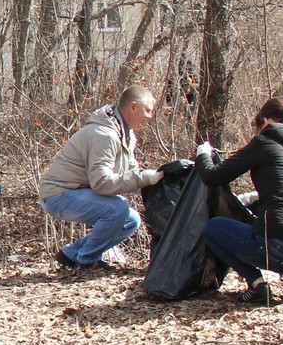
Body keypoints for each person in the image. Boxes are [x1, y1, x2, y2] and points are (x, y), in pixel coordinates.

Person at [192, 98, 283, 305]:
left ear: (266, 121)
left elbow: (213, 177)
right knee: (281, 232)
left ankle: (256, 284)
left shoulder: (266, 142)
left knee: (213, 229)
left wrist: (203, 155)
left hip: (280, 246)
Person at [39, 85, 179, 270]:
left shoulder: (125, 134)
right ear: (133, 107)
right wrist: (144, 178)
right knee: (118, 208)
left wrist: (157, 184)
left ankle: (70, 254)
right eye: (147, 110)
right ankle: (87, 261)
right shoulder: (104, 134)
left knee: (131, 220)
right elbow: (101, 184)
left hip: (77, 193)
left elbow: (130, 174)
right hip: (58, 195)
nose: (150, 116)